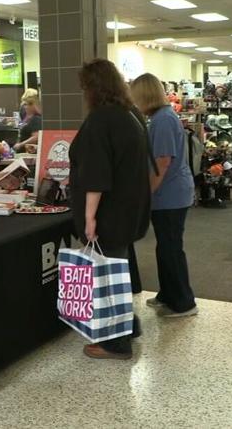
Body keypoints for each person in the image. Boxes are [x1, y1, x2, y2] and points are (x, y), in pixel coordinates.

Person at [69, 58, 151, 360]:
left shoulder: (100, 120)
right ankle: (128, 325)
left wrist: (89, 217)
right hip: (129, 209)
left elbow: (95, 175)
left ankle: (116, 343)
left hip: (108, 213)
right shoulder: (131, 115)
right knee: (118, 269)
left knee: (106, 276)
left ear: (92, 88)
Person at [131, 73, 198, 318]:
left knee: (170, 248)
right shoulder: (162, 118)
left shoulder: (163, 120)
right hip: (169, 194)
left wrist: (146, 195)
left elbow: (161, 162)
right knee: (165, 247)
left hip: (170, 195)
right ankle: (168, 294)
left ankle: (184, 302)